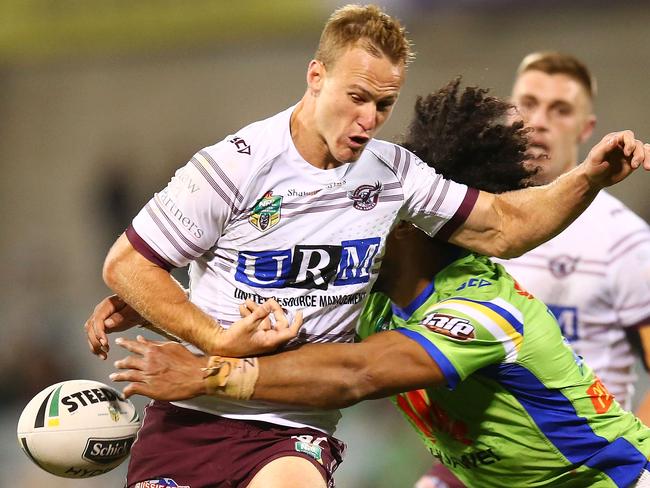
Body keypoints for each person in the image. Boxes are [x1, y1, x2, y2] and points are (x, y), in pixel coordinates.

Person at [85, 4, 650, 486]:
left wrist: (586, 178)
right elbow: (137, 265)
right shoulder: (238, 170)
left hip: (607, 477)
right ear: (315, 75)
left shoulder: (458, 277)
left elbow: (500, 228)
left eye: (383, 106)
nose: (368, 121)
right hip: (192, 423)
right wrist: (185, 314)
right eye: (356, 98)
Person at [417, 50, 650, 488]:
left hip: (575, 465)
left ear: (586, 129)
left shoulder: (624, 240)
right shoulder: (470, 220)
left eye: (560, 110)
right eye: (528, 103)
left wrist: (629, 453)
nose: (540, 120)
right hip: (476, 462)